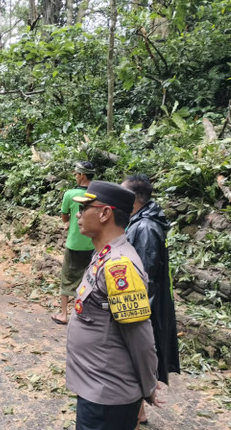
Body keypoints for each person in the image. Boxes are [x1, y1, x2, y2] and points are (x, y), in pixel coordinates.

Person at [67, 180, 160, 430]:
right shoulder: (104, 254)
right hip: (95, 387)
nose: (78, 213)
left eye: (85, 207)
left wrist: (148, 385)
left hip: (107, 396)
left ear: (105, 213)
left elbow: (140, 337)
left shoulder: (120, 267)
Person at [122, 174, 180, 426]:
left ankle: (135, 413)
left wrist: (136, 312)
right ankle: (139, 411)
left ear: (134, 199)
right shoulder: (141, 221)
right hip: (149, 302)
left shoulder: (145, 227)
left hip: (147, 305)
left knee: (135, 357)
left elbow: (144, 275)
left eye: (122, 193)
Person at [52, 161, 96, 325]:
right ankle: (83, 313)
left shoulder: (70, 194)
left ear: (82, 175)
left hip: (75, 243)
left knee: (68, 278)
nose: (76, 177)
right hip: (93, 244)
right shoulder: (98, 194)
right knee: (89, 278)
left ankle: (64, 314)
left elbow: (64, 217)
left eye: (76, 174)